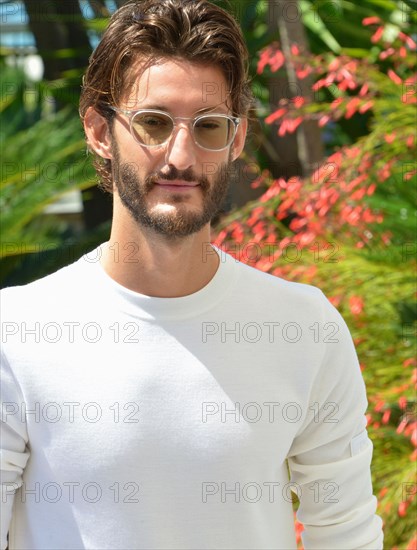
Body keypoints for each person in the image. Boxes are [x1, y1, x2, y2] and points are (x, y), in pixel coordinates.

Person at [0, 0, 384, 548]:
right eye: (153, 123)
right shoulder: (17, 332)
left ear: (236, 137)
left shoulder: (304, 328)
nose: (181, 155)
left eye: (208, 126)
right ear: (100, 131)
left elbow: (347, 535)